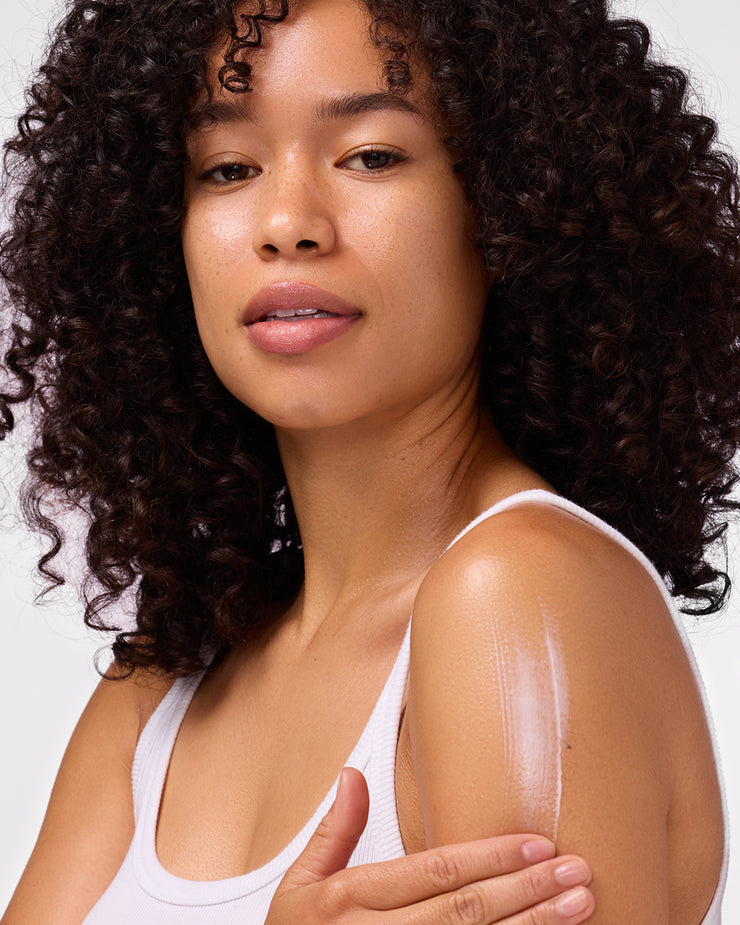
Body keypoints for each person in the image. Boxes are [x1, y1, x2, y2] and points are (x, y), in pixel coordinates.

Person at [1, 0, 738, 921]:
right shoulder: (160, 692)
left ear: (508, 206)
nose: (287, 222)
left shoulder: (514, 596)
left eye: (372, 156)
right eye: (228, 168)